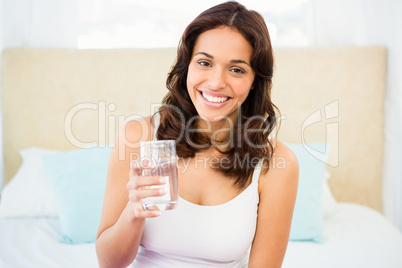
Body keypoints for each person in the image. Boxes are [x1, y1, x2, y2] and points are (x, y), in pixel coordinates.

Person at [95, 1, 299, 267]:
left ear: (254, 81)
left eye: (236, 69)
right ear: (187, 67)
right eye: (204, 62)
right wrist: (135, 212)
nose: (216, 82)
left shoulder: (276, 163)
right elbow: (109, 263)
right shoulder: (139, 136)